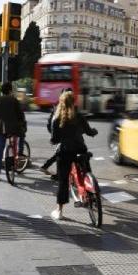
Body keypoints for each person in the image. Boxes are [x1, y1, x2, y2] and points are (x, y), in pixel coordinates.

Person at [50, 91, 98, 220]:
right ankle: (91, 191)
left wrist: (54, 140)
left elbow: (54, 139)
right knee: (86, 170)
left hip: (65, 152)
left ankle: (59, 211)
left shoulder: (57, 118)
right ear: (74, 102)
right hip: (80, 149)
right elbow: (89, 131)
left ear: (61, 102)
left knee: (63, 181)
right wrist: (94, 132)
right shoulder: (80, 116)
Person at [0, 82, 26, 181]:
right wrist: (22, 123)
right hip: (13, 128)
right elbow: (20, 115)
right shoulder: (14, 100)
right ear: (10, 90)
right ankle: (18, 154)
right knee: (20, 137)